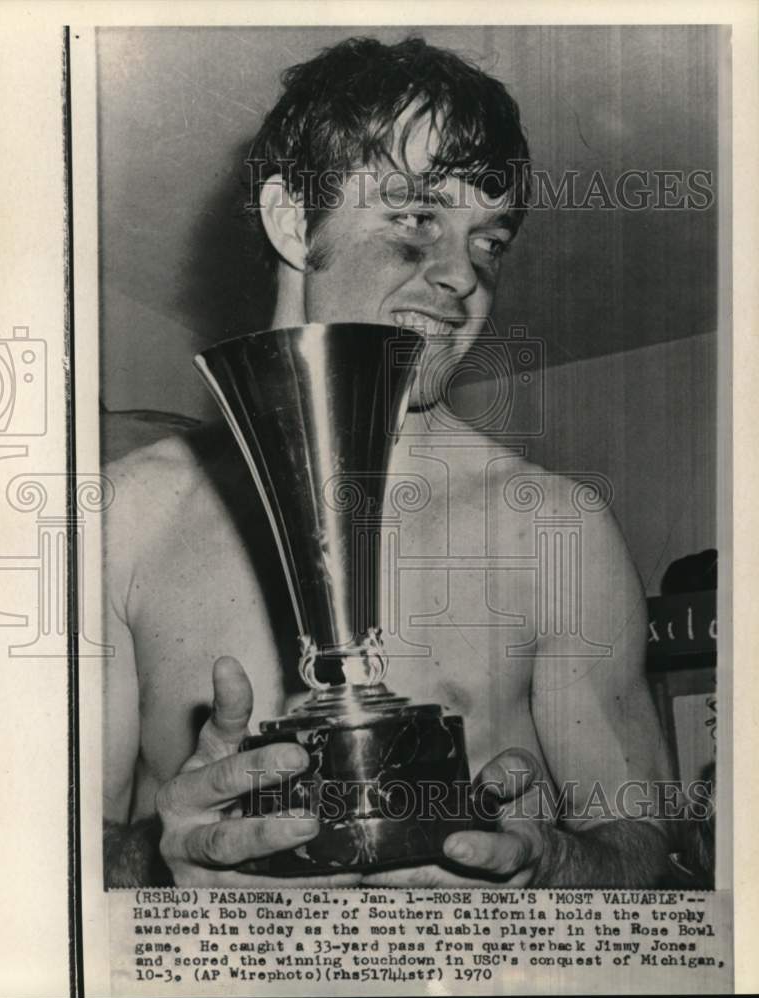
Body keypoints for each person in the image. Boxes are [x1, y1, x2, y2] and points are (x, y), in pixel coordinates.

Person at [103, 36, 677, 889]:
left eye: (489, 241)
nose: (462, 278)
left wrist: (551, 861)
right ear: (295, 221)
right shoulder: (125, 514)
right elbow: (29, 857)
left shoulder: (556, 525)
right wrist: (161, 861)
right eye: (416, 218)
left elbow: (652, 856)